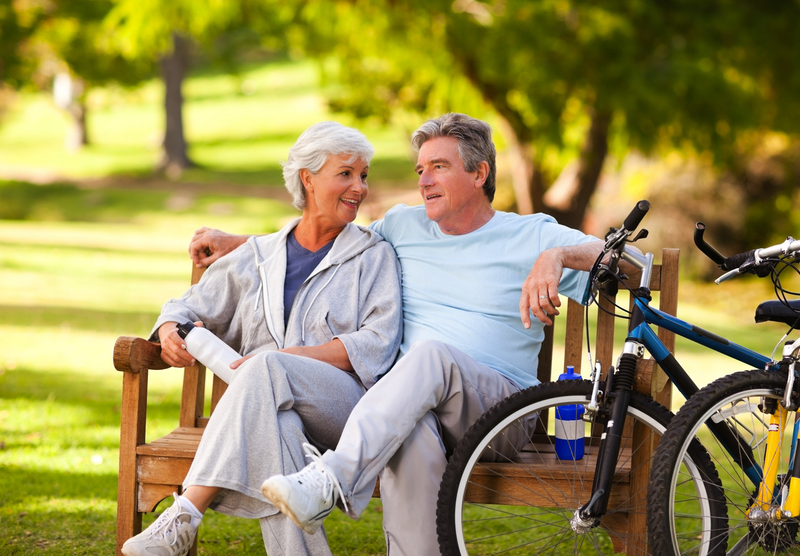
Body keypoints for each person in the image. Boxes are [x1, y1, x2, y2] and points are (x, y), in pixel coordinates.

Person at [190, 113, 624, 556]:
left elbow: (630, 263)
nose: (424, 180)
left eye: (439, 166)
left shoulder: (531, 234)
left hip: (502, 416)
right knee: (411, 430)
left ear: (479, 173)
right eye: (420, 169)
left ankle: (334, 478)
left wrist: (558, 256)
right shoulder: (402, 226)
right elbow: (325, 236)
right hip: (417, 408)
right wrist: (242, 242)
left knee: (431, 354)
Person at [121, 121, 403, 556]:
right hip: (267, 413)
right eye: (345, 173)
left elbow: (376, 344)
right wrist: (166, 332)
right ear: (307, 178)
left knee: (269, 364)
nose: (360, 187)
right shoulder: (257, 257)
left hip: (345, 413)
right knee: (278, 430)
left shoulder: (373, 255)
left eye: (363, 175)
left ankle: (185, 515)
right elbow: (184, 307)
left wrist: (290, 360)